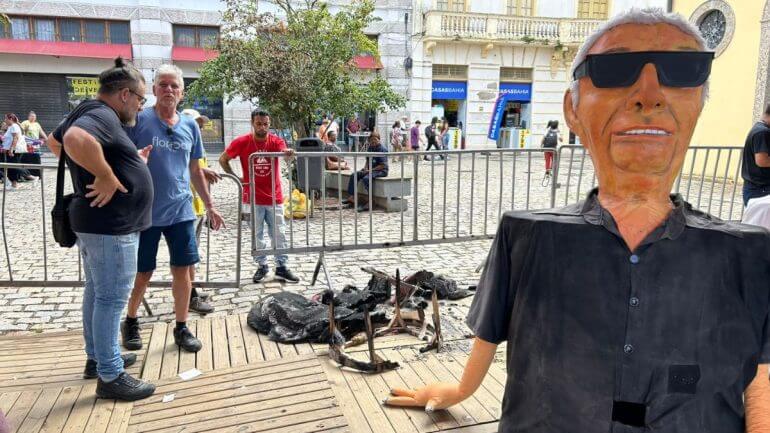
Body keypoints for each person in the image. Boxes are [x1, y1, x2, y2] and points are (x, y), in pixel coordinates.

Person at [384, 8, 770, 431]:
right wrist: (461, 389)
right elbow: (490, 330)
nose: (649, 94)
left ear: (698, 103)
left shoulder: (745, 252)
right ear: (573, 109)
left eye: (682, 71)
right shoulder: (528, 235)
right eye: (614, 70)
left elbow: (759, 374)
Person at [46, 57, 155, 401]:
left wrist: (122, 163)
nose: (140, 106)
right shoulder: (103, 114)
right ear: (125, 95)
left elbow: (54, 142)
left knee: (96, 292)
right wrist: (106, 175)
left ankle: (98, 358)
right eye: (140, 99)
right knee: (111, 298)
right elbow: (74, 139)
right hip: (111, 226)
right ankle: (110, 375)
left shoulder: (86, 109)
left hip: (99, 223)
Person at [121, 65, 225, 354]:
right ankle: (131, 320)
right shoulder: (138, 120)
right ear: (154, 89)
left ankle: (181, 326)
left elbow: (195, 169)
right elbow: (121, 158)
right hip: (145, 212)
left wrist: (210, 205)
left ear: (182, 92)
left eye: (174, 85)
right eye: (163, 84)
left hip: (180, 210)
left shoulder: (190, 126)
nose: (168, 89)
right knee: (143, 272)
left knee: (183, 270)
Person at [219, 109, 299, 284]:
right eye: (259, 124)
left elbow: (283, 149)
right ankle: (262, 266)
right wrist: (236, 178)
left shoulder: (275, 141)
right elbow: (223, 159)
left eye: (265, 124)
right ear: (252, 123)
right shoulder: (242, 142)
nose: (262, 127)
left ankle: (281, 266)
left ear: (269, 124)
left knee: (279, 233)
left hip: (274, 197)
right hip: (252, 197)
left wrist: (287, 152)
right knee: (257, 234)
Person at [181, 108, 220, 315]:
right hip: (184, 207)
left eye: (201, 125)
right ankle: (190, 296)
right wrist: (202, 170)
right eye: (196, 124)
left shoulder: (196, 145)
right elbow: (181, 167)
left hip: (196, 207)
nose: (200, 128)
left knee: (192, 253)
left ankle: (191, 288)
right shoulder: (181, 142)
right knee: (187, 255)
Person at [343, 130, 388, 212]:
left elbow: (382, 165)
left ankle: (370, 201)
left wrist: (370, 170)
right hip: (370, 169)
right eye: (371, 140)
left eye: (375, 140)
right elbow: (367, 160)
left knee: (366, 179)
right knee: (354, 175)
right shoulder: (370, 147)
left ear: (379, 139)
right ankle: (352, 197)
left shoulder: (382, 149)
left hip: (381, 170)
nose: (373, 142)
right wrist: (365, 168)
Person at [741, 103, 770, 206]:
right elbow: (762, 161)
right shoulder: (762, 132)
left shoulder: (760, 129)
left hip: (759, 188)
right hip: (760, 189)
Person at [2, 114, 27, 188]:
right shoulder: (11, 127)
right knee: (11, 167)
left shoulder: (14, 126)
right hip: (10, 150)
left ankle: (31, 176)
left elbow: (15, 138)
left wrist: (11, 149)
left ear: (10, 119)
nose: (5, 120)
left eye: (6, 119)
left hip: (14, 150)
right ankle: (13, 184)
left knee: (13, 167)